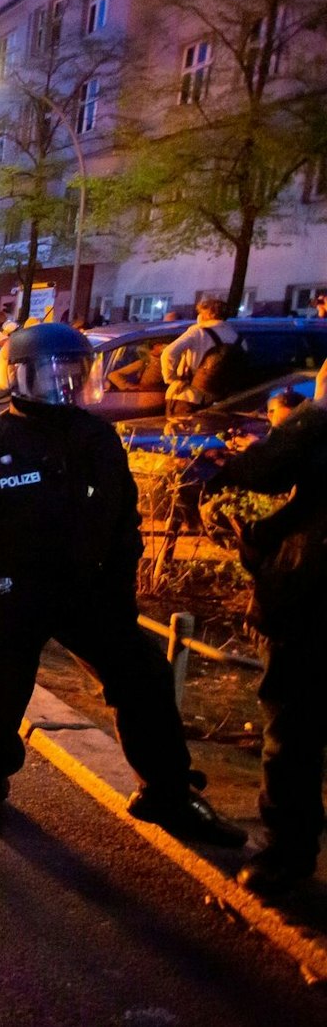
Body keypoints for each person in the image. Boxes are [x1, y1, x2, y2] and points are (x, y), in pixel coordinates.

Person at [0, 323, 245, 846]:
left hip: (87, 592)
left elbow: (123, 519)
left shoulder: (95, 437)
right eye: (54, 376)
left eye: (76, 375)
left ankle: (167, 792)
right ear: (18, 378)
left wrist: (119, 589)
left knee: (143, 675)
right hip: (15, 596)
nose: (67, 387)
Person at [206, 365, 327, 893]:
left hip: (314, 602)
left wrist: (303, 419)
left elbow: (260, 472)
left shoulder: (317, 424)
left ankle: (288, 854)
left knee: (294, 728)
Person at [161, 298, 244, 416]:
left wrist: (172, 379)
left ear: (209, 314)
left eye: (201, 312)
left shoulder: (198, 332)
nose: (199, 316)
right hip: (221, 402)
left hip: (188, 398)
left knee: (179, 433)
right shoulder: (238, 338)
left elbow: (168, 353)